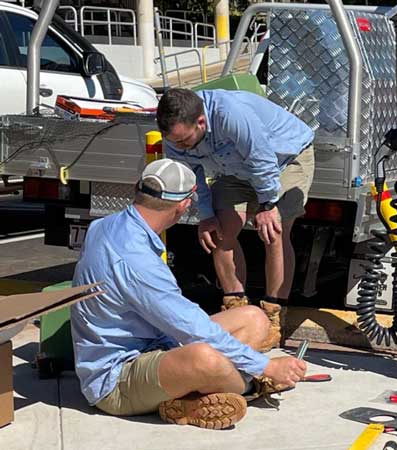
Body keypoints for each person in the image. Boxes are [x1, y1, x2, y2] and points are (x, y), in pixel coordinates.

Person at [71, 159, 307, 429]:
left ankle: (193, 396)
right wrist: (265, 368)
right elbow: (192, 328)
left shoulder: (105, 225)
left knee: (255, 318)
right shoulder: (135, 260)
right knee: (205, 358)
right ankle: (249, 386)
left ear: (138, 188)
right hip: (117, 380)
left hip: (156, 346)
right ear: (184, 205)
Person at [156, 88, 315, 349]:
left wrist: (267, 204)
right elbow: (190, 174)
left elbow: (261, 157)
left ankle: (274, 316)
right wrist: (205, 216)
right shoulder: (176, 137)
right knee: (219, 231)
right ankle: (236, 308)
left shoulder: (231, 114)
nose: (181, 147)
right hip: (234, 167)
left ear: (201, 122)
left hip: (284, 158)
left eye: (185, 141)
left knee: (273, 231)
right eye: (176, 143)